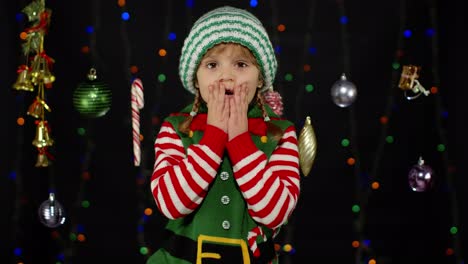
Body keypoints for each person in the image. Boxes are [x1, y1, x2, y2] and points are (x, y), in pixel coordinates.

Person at [147, 6, 301, 264]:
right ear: (196, 78)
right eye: (212, 65)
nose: (226, 76)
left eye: (241, 64)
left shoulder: (280, 133)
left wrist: (241, 141)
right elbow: (171, 204)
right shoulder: (176, 127)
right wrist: (214, 136)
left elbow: (275, 213)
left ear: (260, 78)